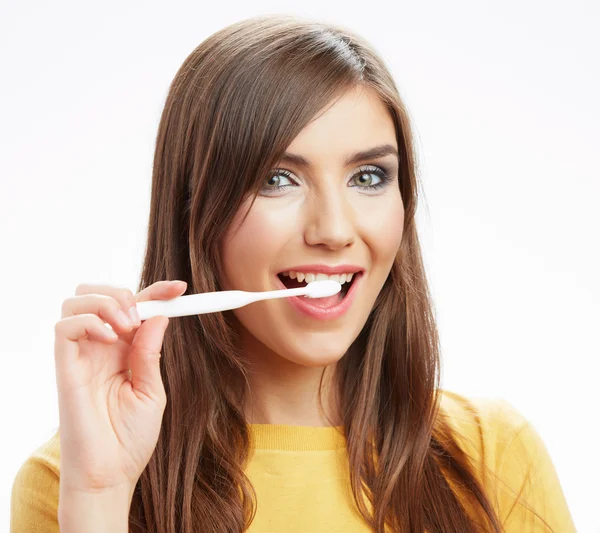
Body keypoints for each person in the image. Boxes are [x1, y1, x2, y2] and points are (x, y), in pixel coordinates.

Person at [10, 14, 576, 533]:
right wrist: (100, 496)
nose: (333, 229)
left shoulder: (491, 454)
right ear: (192, 208)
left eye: (369, 177)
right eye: (278, 178)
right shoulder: (75, 479)